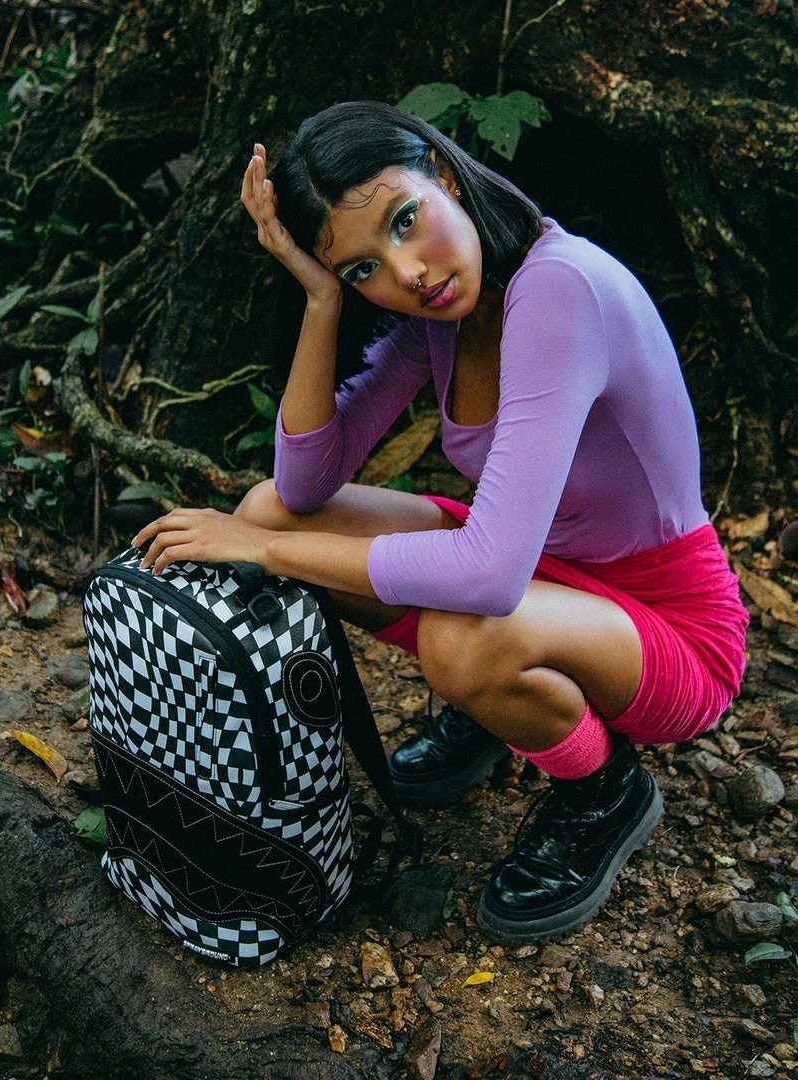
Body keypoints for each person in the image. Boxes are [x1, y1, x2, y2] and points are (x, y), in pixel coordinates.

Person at [132, 101, 749, 944]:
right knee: (268, 508)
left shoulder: (558, 288)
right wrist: (321, 300)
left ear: (447, 177)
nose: (408, 273)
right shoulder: (445, 316)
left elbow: (489, 575)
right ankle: (501, 709)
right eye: (365, 268)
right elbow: (302, 487)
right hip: (542, 572)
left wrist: (268, 552)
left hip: (671, 626)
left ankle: (604, 791)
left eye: (405, 220)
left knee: (462, 638)